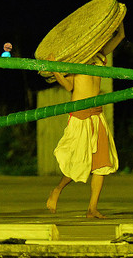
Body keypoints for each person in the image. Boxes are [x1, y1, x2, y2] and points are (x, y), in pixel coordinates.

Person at [46, 24, 126, 219]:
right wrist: (55, 68)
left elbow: (121, 36)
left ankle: (92, 208)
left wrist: (118, 18)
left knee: (101, 164)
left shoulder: (99, 56)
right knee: (77, 161)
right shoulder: (76, 59)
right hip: (79, 112)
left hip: (97, 112)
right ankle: (57, 190)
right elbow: (68, 86)